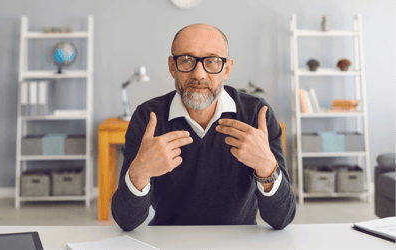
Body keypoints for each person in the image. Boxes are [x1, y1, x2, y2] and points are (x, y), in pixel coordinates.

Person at [111, 23, 296, 231]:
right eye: (187, 60)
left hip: (239, 243)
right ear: (172, 66)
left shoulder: (257, 115)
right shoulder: (148, 118)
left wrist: (266, 168)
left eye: (212, 61)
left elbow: (282, 219)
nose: (199, 74)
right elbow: (126, 222)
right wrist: (139, 173)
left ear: (226, 69)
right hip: (168, 242)